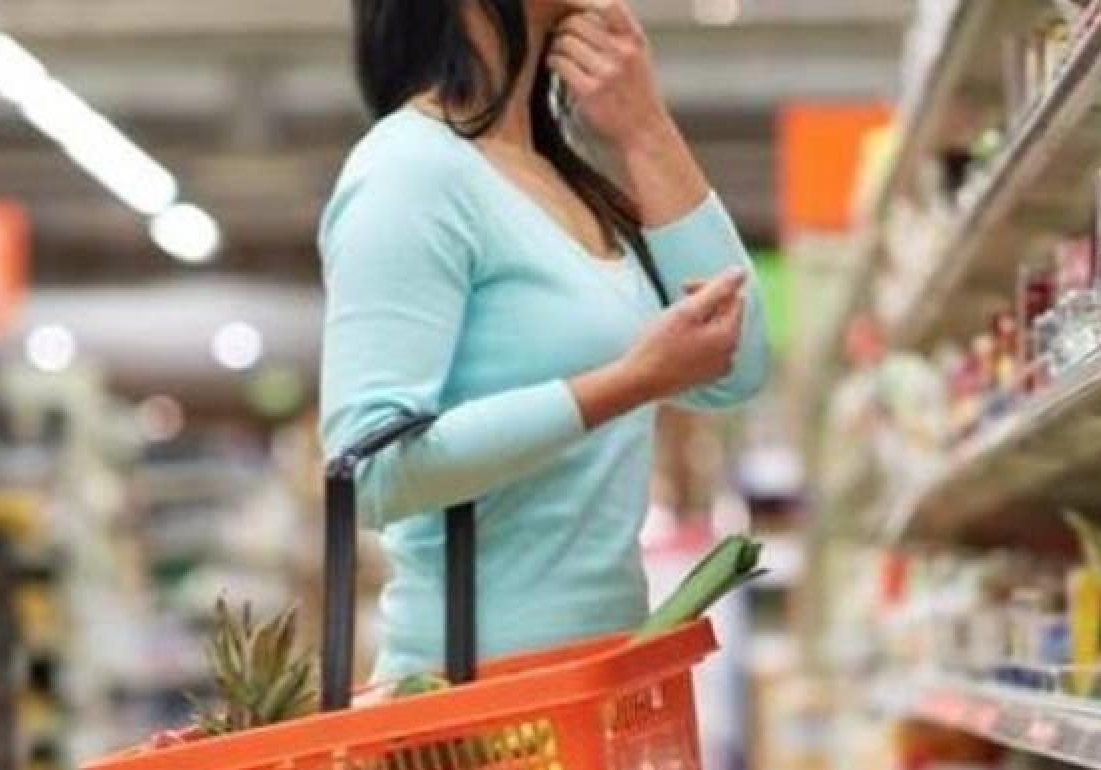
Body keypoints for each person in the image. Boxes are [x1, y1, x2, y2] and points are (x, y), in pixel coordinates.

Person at [319, 0, 771, 688]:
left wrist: (645, 128)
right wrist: (631, 381)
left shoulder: (563, 179)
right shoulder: (409, 170)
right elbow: (368, 471)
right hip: (477, 707)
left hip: (603, 683)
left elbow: (734, 365)